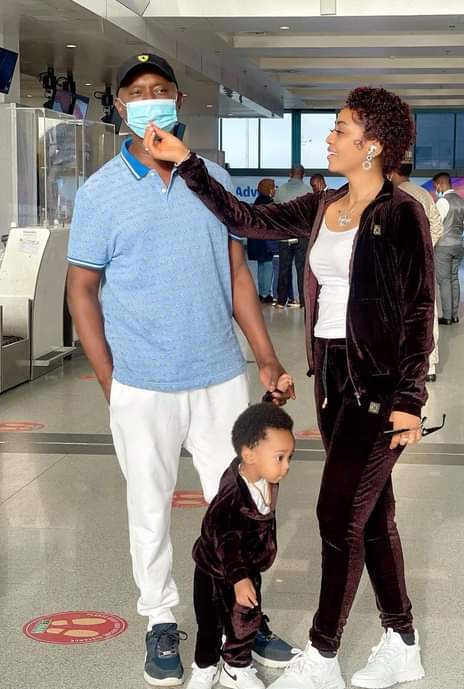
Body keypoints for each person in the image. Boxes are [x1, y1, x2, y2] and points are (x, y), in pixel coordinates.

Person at [144, 84, 435, 689]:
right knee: (371, 514)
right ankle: (402, 640)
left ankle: (323, 655)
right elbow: (245, 218)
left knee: (336, 514)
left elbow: (417, 310)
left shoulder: (400, 213)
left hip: (379, 386)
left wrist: (410, 400)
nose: (329, 137)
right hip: (332, 379)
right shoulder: (324, 205)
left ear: (372, 145)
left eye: (340, 129)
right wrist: (187, 162)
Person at [66, 53, 293, 687]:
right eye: (137, 92)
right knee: (149, 505)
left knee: (244, 501)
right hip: (143, 384)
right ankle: (161, 619)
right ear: (120, 107)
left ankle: (244, 612)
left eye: (160, 89)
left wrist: (266, 356)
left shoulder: (210, 176)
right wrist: (111, 380)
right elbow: (81, 289)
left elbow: (237, 273)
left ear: (178, 100)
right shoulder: (100, 193)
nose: (150, 99)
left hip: (219, 374)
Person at [187, 397, 295, 689]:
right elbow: (225, 540)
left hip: (247, 567)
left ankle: (235, 667)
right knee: (209, 623)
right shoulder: (231, 497)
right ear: (249, 455)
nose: (286, 466)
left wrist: (270, 402)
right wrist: (238, 578)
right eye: (280, 458)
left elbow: (258, 429)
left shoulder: (260, 472)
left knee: (244, 620)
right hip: (215, 571)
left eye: (289, 457)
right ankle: (205, 666)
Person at [389, 162, 442, 382]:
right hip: (422, 264)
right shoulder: (423, 194)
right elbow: (437, 226)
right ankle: (429, 365)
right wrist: (424, 248)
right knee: (427, 312)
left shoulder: (389, 195)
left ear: (392, 173)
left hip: (394, 264)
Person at [273, 165, 312, 309]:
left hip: (285, 235)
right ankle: (303, 301)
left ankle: (281, 301)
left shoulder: (281, 190)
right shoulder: (308, 190)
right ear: (303, 175)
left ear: (290, 174)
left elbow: (276, 210)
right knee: (302, 270)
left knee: (284, 268)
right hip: (302, 235)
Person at [432, 172, 464, 325]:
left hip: (444, 246)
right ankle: (455, 314)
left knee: (444, 280)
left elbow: (436, 225)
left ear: (440, 184)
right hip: (458, 244)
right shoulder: (462, 201)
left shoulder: (442, 202)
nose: (435, 190)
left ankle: (446, 316)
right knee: (454, 279)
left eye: (435, 186)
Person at [247, 179, 276, 303]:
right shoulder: (269, 203)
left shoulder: (257, 202)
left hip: (256, 239)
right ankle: (266, 294)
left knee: (261, 266)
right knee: (268, 266)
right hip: (266, 240)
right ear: (268, 189)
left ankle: (261, 292)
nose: (275, 190)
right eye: (273, 187)